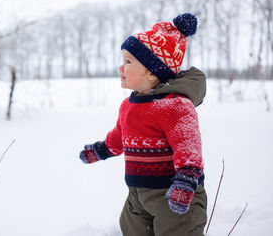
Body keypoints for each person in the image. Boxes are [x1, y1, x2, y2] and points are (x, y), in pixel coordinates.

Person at [79, 13, 207, 236]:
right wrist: (101, 150)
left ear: (151, 71)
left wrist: (186, 181)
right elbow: (120, 136)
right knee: (130, 229)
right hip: (136, 195)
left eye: (128, 62)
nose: (121, 68)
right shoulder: (128, 106)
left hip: (173, 195)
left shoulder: (175, 106)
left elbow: (189, 147)